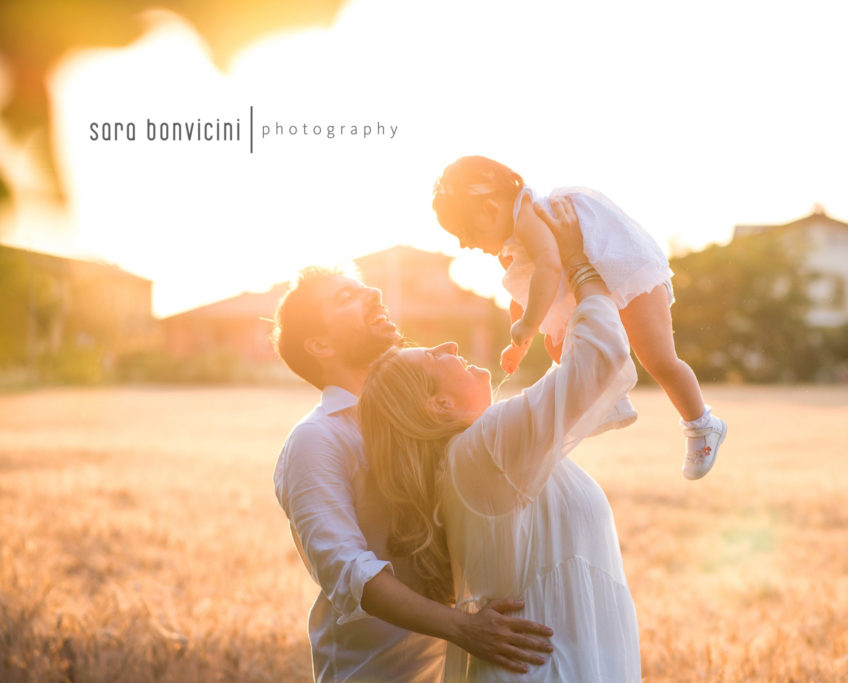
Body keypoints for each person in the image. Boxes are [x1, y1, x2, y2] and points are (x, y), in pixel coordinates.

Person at [357, 205, 643, 681]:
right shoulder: (483, 449)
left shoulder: (487, 450)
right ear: (438, 406)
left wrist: (558, 315)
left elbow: (590, 385)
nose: (450, 346)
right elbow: (602, 355)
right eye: (433, 357)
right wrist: (576, 262)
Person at [272, 268, 555, 682]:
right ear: (320, 344)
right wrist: (464, 628)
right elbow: (349, 572)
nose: (373, 291)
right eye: (346, 296)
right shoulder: (317, 439)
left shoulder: (428, 415)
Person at [432, 155, 726, 479]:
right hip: (590, 280)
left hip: (624, 269)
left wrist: (529, 324)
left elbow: (548, 266)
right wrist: (521, 340)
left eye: (465, 231)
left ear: (489, 208)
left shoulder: (529, 215)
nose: (464, 244)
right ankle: (608, 398)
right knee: (558, 348)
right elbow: (524, 290)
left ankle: (702, 424)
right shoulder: (513, 239)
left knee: (658, 359)